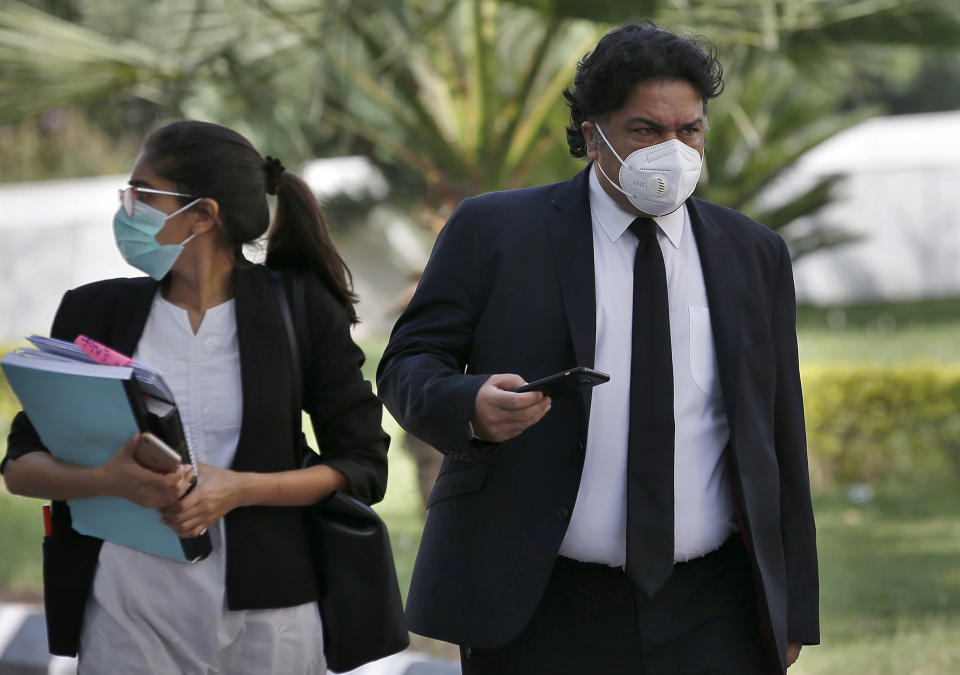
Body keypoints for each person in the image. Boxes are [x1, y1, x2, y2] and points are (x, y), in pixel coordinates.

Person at [376, 20, 818, 674]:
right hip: (541, 604)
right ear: (592, 136)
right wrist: (469, 404)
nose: (673, 149)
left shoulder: (752, 252)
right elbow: (407, 365)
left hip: (713, 605)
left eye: (689, 129)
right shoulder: (494, 232)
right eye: (646, 130)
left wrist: (794, 606)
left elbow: (778, 433)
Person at [1, 120, 390, 674]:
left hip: (271, 613)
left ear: (203, 215)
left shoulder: (300, 309)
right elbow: (20, 467)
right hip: (126, 605)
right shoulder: (94, 312)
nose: (127, 207)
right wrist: (112, 482)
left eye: (142, 192)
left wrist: (238, 490)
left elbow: (362, 463)